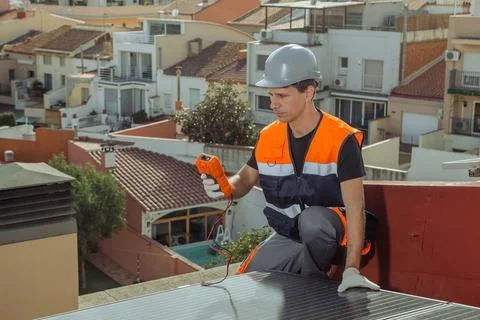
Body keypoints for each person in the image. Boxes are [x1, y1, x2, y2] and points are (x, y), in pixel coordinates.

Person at [201, 44, 379, 293]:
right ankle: (306, 276)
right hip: (291, 235)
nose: (273, 104)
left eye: (282, 96)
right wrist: (222, 186)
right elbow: (245, 178)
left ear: (308, 92)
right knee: (246, 282)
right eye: (271, 95)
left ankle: (314, 287)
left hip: (335, 237)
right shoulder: (269, 136)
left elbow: (355, 207)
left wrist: (351, 269)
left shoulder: (341, 139)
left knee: (313, 221)